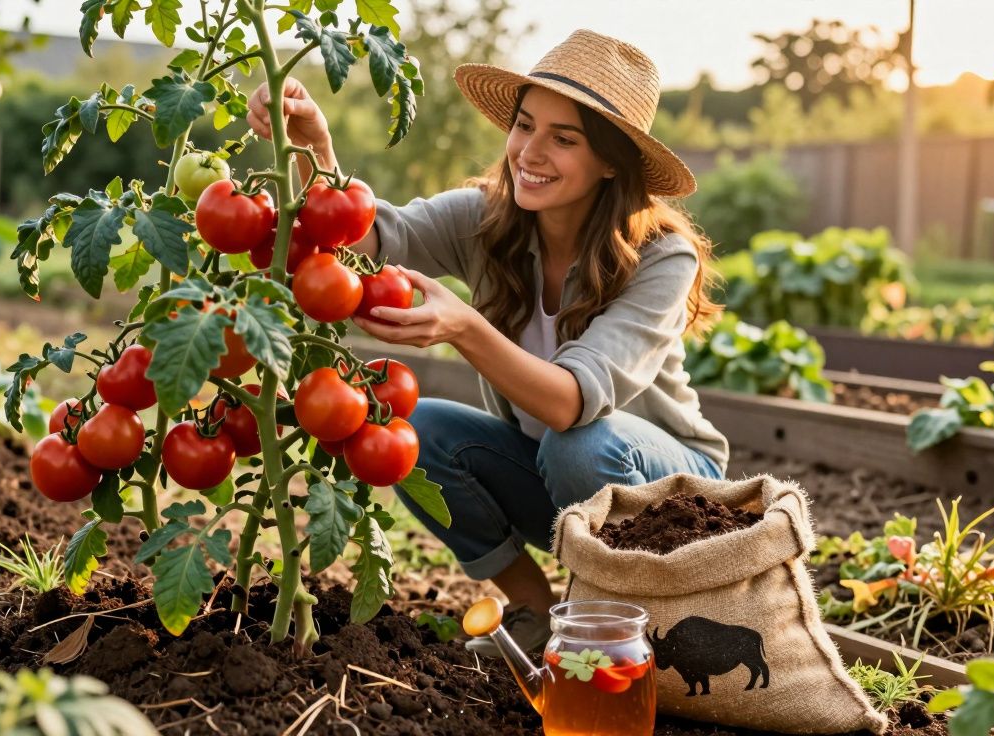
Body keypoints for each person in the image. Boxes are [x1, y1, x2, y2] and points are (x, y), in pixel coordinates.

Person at [246, 29, 729, 656]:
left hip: (671, 498)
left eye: (563, 138)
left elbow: (572, 402)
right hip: (558, 475)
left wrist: (464, 329)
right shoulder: (488, 218)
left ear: (611, 161)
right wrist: (317, 147)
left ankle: (615, 627)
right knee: (408, 427)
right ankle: (533, 607)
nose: (529, 151)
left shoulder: (661, 257)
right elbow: (368, 238)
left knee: (580, 442)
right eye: (525, 125)